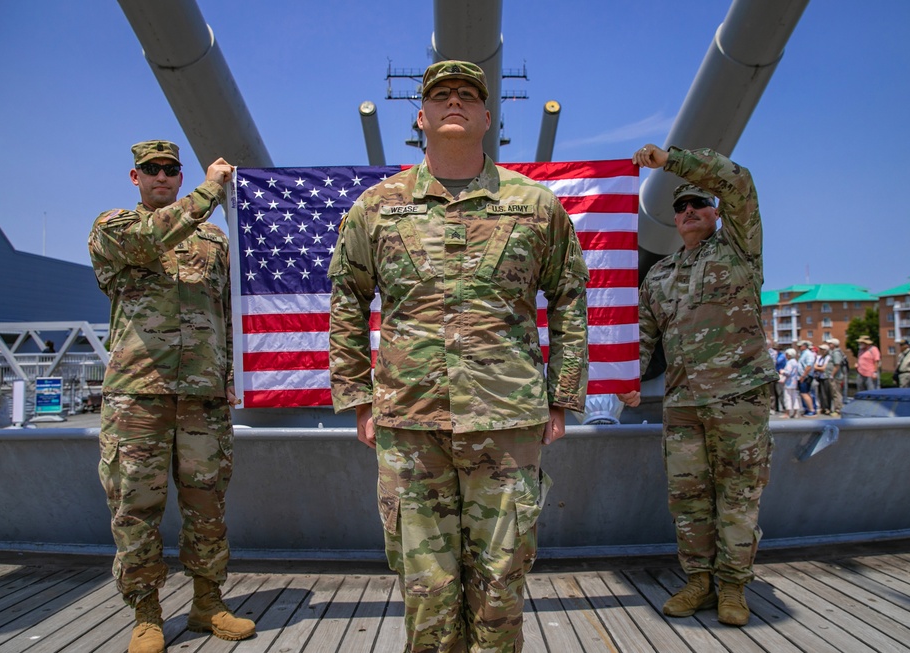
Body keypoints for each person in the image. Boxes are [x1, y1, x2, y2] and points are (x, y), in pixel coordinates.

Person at [328, 60, 589, 652]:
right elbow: (348, 300)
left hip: (508, 421)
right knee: (426, 585)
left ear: (487, 118)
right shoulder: (376, 207)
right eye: (441, 95)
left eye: (468, 96)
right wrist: (359, 399)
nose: (454, 103)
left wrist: (562, 397)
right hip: (410, 424)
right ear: (421, 116)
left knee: (501, 582)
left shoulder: (536, 205)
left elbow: (570, 298)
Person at [88, 140, 254, 653]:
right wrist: (210, 188)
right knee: (136, 506)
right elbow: (150, 239)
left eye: (170, 170)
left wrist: (227, 378)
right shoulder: (115, 228)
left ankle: (208, 602)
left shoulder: (213, 242)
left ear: (178, 177)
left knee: (207, 504)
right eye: (151, 170)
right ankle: (146, 613)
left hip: (201, 397)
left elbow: (226, 314)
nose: (162, 176)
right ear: (134, 177)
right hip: (138, 396)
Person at [618, 143, 777, 627]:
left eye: (698, 204)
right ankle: (698, 582)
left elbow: (739, 182)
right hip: (683, 403)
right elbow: (642, 336)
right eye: (681, 207)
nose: (689, 211)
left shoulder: (739, 249)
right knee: (688, 499)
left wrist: (671, 163)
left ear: (715, 212)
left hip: (740, 396)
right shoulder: (659, 276)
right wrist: (627, 380)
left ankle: (732, 587)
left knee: (738, 496)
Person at [781, 348, 802, 418]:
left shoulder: (789, 362)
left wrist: (782, 371)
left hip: (789, 382)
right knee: (795, 397)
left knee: (788, 398)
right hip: (794, 382)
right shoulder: (795, 362)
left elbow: (788, 372)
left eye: (786, 354)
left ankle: (787, 413)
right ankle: (795, 413)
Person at [797, 340, 817, 416]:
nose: (799, 347)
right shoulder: (803, 354)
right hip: (802, 376)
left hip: (806, 376)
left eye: (800, 346)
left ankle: (811, 410)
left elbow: (809, 366)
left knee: (804, 393)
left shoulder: (808, 354)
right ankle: (808, 408)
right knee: (805, 393)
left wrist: (803, 376)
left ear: (805, 346)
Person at [813, 343, 833, 414]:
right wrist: (818, 367)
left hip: (826, 377)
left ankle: (828, 408)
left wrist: (817, 368)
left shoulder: (828, 357)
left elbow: (824, 368)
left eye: (822, 349)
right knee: (820, 393)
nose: (820, 350)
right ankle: (823, 407)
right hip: (820, 377)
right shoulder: (820, 357)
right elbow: (815, 366)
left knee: (826, 393)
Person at [827, 338, 846, 414]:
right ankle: (836, 408)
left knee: (836, 393)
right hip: (835, 376)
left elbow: (837, 365)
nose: (829, 345)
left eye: (830, 344)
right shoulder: (834, 352)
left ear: (834, 345)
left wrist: (832, 375)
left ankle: (838, 409)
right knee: (834, 393)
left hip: (836, 377)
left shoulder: (836, 353)